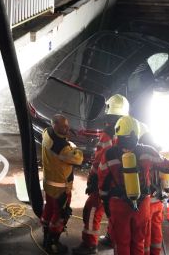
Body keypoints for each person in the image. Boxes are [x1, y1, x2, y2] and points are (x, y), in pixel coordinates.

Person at [97, 116, 169, 255]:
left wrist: (106, 203)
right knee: (139, 242)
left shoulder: (108, 154)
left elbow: (102, 180)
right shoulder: (148, 151)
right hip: (142, 204)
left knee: (121, 243)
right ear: (136, 133)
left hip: (118, 205)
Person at [72, 94, 130, 255]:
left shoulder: (107, 135)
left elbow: (99, 161)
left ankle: (89, 244)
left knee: (92, 210)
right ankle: (112, 238)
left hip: (104, 181)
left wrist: (92, 179)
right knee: (114, 210)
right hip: (121, 183)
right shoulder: (128, 131)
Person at [41, 114, 84, 254]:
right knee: (60, 215)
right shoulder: (63, 148)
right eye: (63, 126)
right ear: (55, 125)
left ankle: (45, 235)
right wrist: (75, 147)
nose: (67, 127)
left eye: (67, 125)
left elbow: (54, 137)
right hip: (60, 188)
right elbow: (77, 159)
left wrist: (65, 138)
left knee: (48, 209)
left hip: (48, 184)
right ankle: (52, 244)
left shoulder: (46, 133)